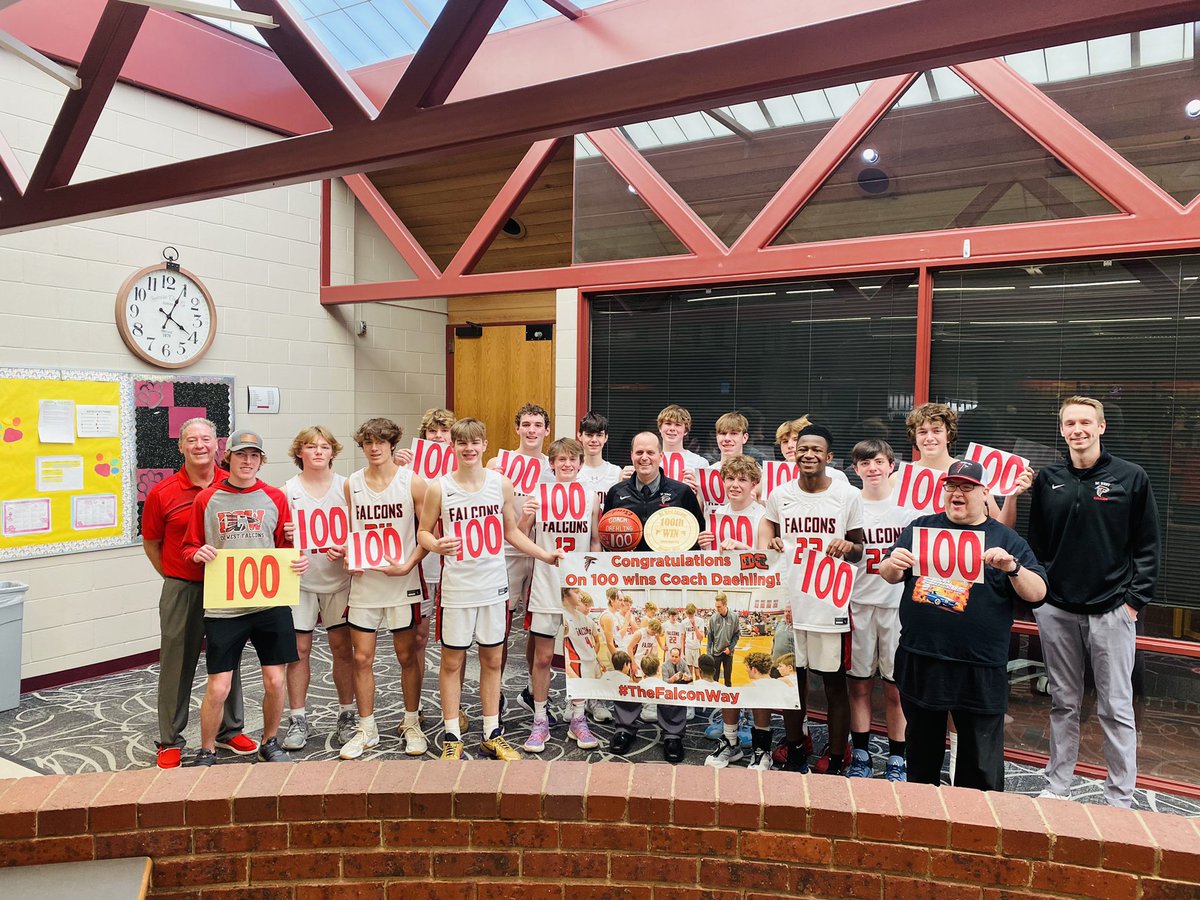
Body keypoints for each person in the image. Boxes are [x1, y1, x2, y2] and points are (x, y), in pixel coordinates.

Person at [1011, 396, 1160, 807]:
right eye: (1070, 423)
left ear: (1101, 427)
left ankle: (1120, 797)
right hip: (1057, 609)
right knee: (1063, 702)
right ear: (1061, 430)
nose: (1078, 429)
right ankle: (1058, 785)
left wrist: (1133, 602)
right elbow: (1036, 544)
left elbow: (1147, 546)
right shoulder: (1047, 480)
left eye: (1085, 423)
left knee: (1115, 706)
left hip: (1112, 609)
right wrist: (1041, 599)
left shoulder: (1131, 477)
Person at [879, 459, 1047, 791]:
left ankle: (978, 830)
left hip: (978, 666)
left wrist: (1013, 568)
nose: (958, 493)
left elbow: (1038, 592)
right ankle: (924, 824)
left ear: (985, 493)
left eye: (967, 487)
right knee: (921, 754)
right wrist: (892, 564)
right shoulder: (920, 527)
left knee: (980, 764)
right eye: (952, 486)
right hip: (921, 659)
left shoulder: (1006, 539)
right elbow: (890, 573)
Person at [418, 417, 564, 760]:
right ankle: (452, 733)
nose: (469, 449)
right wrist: (436, 544)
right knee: (452, 662)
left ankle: (491, 732)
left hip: (494, 585)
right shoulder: (439, 487)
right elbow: (424, 531)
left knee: (493, 659)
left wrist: (544, 554)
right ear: (453, 447)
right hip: (457, 587)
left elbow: (511, 532)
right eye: (462, 443)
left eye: (475, 443)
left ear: (485, 446)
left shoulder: (500, 484)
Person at [183, 430, 308, 766]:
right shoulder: (207, 499)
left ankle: (270, 741)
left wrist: (299, 558)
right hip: (225, 606)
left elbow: (285, 548)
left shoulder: (274, 498)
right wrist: (198, 553)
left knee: (275, 679)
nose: (247, 462)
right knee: (219, 685)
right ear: (229, 458)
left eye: (254, 456)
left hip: (270, 602)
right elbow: (188, 546)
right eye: (241, 455)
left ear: (261, 461)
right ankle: (207, 747)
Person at [142, 417, 254, 769]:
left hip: (227, 586)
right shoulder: (163, 493)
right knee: (177, 664)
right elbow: (152, 544)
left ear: (218, 444)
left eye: (206, 439)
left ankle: (229, 729)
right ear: (181, 446)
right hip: (184, 588)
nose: (200, 445)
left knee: (228, 660)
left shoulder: (234, 484)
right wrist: (177, 575)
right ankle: (170, 739)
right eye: (192, 440)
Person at [759, 424, 864, 774]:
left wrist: (848, 547)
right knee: (791, 678)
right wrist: (772, 544)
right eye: (802, 448)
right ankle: (796, 746)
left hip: (828, 603)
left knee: (834, 681)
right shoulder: (780, 494)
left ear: (829, 457)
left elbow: (859, 549)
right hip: (790, 601)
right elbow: (770, 536)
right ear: (793, 452)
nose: (808, 454)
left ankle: (837, 756)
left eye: (816, 449)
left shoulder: (847, 495)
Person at [603, 431, 704, 762]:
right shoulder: (616, 493)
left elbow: (696, 538)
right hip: (629, 586)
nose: (644, 457)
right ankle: (625, 725)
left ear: (661, 455)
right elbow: (607, 540)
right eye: (638, 452)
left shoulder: (681, 492)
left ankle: (672, 731)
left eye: (650, 452)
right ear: (631, 455)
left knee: (669, 653)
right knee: (629, 652)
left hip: (669, 585)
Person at [332, 418, 429, 761]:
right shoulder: (352, 484)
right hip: (364, 583)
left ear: (392, 444)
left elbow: (427, 532)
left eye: (380, 442)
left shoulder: (412, 482)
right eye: (368, 443)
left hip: (401, 581)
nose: (374, 448)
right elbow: (348, 530)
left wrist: (411, 564)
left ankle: (412, 721)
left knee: (406, 656)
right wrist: (345, 552)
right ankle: (366, 727)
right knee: (361, 658)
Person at [517, 438, 601, 753]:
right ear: (551, 463)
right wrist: (525, 515)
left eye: (572, 460)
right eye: (560, 459)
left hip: (577, 586)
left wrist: (591, 578)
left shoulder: (591, 497)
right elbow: (519, 536)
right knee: (542, 656)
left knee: (579, 655)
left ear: (580, 464)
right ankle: (540, 719)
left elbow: (594, 540)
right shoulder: (537, 494)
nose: (566, 464)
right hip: (544, 584)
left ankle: (578, 717)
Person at [846, 439, 918, 782]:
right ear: (856, 469)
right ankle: (860, 754)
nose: (872, 468)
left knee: (894, 688)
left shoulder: (908, 513)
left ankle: (897, 757)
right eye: (864, 463)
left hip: (894, 607)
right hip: (857, 603)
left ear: (892, 465)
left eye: (878, 461)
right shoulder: (848, 507)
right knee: (858, 685)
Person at [280, 426, 355, 752]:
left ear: (333, 452)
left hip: (338, 579)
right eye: (311, 447)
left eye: (324, 446)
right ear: (300, 452)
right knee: (298, 651)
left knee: (343, 649)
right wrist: (286, 537)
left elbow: (363, 530)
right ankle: (298, 717)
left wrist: (348, 547)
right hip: (302, 581)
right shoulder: (286, 491)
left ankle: (346, 714)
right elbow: (276, 540)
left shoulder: (347, 487)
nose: (318, 452)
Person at [700, 454, 768, 767]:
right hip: (723, 603)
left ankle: (762, 747)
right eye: (730, 479)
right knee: (725, 675)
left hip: (754, 603)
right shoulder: (714, 514)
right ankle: (730, 742)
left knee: (754, 676)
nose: (735, 484)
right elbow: (708, 563)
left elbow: (770, 563)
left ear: (754, 485)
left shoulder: (763, 516)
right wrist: (704, 547)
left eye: (743, 479)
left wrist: (746, 551)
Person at [394, 407, 457, 729]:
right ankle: (414, 709)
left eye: (444, 431)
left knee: (455, 640)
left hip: (456, 563)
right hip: (422, 559)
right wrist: (398, 467)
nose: (438, 437)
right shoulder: (408, 469)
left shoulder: (464, 467)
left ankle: (454, 710)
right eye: (433, 431)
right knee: (418, 637)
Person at [487, 402, 551, 695]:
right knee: (501, 625)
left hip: (540, 553)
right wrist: (490, 473)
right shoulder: (498, 465)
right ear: (517, 428)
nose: (531, 430)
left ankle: (531, 689)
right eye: (526, 424)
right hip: (507, 552)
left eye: (538, 425)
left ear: (547, 431)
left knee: (538, 628)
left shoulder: (553, 466)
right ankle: (495, 692)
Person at [560, 587, 602, 749]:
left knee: (592, 690)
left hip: (590, 662)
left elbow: (596, 640)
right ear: (565, 593)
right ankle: (575, 715)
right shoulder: (563, 617)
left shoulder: (585, 619)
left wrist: (594, 655)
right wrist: (569, 669)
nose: (580, 595)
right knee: (578, 692)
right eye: (576, 592)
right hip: (576, 665)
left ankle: (589, 707)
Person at [576, 411, 622, 502]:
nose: (594, 440)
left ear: (606, 438)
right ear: (580, 435)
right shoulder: (572, 471)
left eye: (599, 435)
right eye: (589, 435)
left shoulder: (616, 473)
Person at [657, 404, 709, 484]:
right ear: (660, 427)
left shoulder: (699, 463)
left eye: (678, 425)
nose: (672, 429)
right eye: (668, 423)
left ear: (686, 431)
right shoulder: (648, 459)